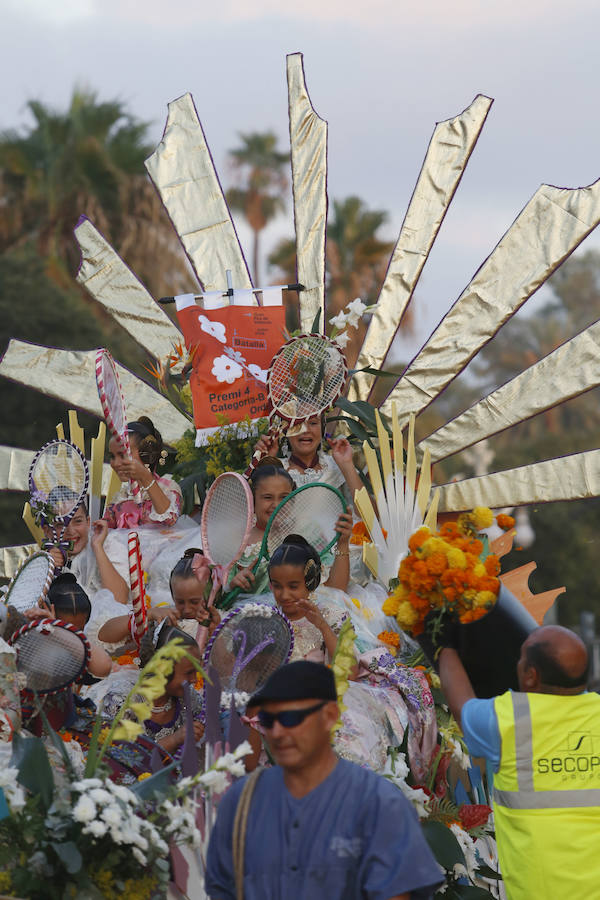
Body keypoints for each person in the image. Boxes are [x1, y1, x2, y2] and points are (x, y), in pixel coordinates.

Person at [205, 660, 442, 900]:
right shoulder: (241, 802)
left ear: (329, 716)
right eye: (268, 720)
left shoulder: (379, 805)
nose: (277, 732)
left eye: (290, 719)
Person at [438, 625, 600, 900]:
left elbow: (461, 706)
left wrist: (442, 645)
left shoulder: (509, 719)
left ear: (531, 676)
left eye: (521, 658)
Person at [265, 537, 436, 775]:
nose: (284, 595)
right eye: (276, 586)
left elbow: (349, 672)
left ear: (311, 582)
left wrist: (322, 626)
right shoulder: (265, 620)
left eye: (293, 586)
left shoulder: (331, 614)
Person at [103, 416, 182, 529]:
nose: (115, 463)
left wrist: (145, 477)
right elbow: (105, 530)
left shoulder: (168, 489)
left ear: (147, 454)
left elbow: (169, 519)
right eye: (112, 456)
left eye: (123, 455)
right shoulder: (121, 497)